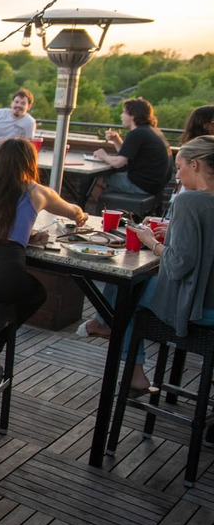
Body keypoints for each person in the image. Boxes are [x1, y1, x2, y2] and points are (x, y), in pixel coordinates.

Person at [82, 136, 214, 393]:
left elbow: (178, 266)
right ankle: (108, 329)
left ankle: (126, 360)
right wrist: (174, 231)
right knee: (132, 289)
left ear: (196, 165)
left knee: (127, 289)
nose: (177, 175)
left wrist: (151, 241)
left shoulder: (190, 202)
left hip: (198, 307)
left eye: (179, 166)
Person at [0, 139, 87, 331]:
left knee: (0, 292)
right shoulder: (37, 192)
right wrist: (82, 216)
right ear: (30, 162)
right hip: (3, 275)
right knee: (37, 295)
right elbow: (73, 212)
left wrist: (28, 235)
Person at [92, 97, 172, 199]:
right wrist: (116, 139)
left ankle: (99, 211)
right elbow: (126, 154)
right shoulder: (152, 131)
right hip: (155, 186)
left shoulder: (136, 134)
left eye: (124, 112)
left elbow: (119, 163)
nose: (121, 116)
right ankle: (109, 207)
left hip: (141, 186)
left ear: (133, 116)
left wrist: (103, 155)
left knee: (95, 180)